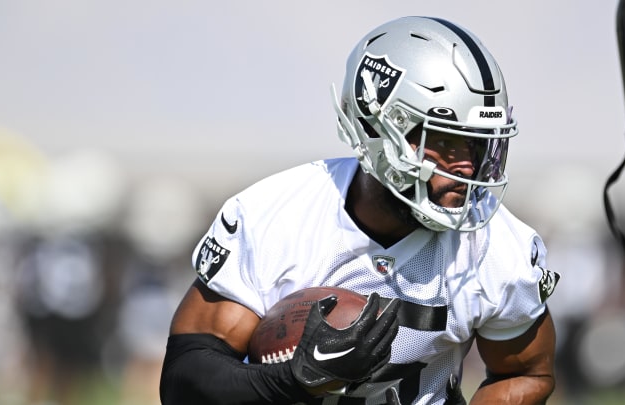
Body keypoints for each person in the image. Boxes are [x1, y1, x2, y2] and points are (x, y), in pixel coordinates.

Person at [160, 16, 560, 405]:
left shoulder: (495, 246)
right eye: (446, 141)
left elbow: (524, 373)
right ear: (379, 132)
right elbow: (184, 379)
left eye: (477, 146)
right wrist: (292, 380)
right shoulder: (277, 216)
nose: (468, 168)